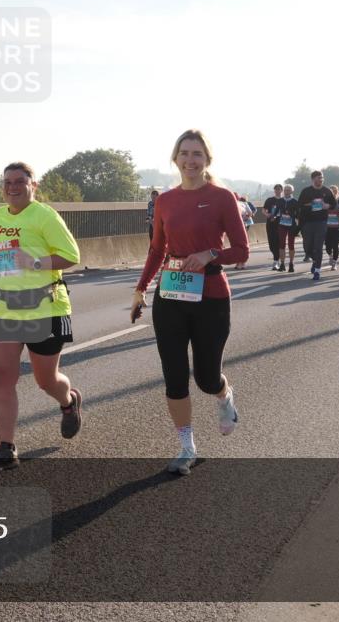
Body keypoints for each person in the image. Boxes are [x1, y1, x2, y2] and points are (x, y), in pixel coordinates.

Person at [131, 130, 247, 476]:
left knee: (207, 378)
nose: (190, 160)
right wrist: (141, 289)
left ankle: (224, 396)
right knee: (175, 376)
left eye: (197, 154)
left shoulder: (222, 197)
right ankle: (186, 447)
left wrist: (210, 252)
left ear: (207, 160)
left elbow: (241, 250)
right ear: (175, 158)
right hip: (171, 294)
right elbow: (157, 250)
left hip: (211, 294)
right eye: (184, 153)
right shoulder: (165, 200)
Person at [0, 162, 82, 473]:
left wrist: (35, 262)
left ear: (33, 185)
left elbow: (71, 256)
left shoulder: (44, 215)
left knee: (45, 380)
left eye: (20, 181)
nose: (12, 186)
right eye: (7, 181)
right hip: (2, 308)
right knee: (1, 377)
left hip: (45, 307)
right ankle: (6, 447)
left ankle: (68, 400)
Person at [296, 171, 337, 281]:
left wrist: (327, 205)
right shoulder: (306, 191)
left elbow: (334, 204)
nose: (321, 180)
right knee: (307, 248)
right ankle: (314, 261)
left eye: (322, 178)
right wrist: (310, 205)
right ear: (313, 179)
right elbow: (299, 206)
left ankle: (317, 271)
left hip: (321, 222)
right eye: (319, 178)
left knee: (318, 247)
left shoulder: (327, 191)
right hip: (307, 223)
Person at [276, 185, 299, 272]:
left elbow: (298, 214)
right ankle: (282, 264)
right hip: (282, 225)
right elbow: (276, 211)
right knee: (281, 244)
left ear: (292, 191)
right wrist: (272, 216)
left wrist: (295, 218)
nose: (286, 192)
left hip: (291, 225)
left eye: (288, 190)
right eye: (285, 190)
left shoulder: (295, 201)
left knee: (291, 244)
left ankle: (291, 263)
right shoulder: (280, 201)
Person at [263, 184, 284, 270]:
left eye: (279, 189)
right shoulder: (270, 200)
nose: (277, 191)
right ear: (274, 190)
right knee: (271, 244)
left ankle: (276, 261)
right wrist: (267, 214)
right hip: (270, 223)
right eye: (276, 189)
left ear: (281, 190)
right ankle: (276, 257)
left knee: (278, 242)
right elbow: (263, 210)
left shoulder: (283, 201)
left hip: (281, 224)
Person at [234, 195, 256, 270]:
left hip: (234, 226)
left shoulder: (231, 203)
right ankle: (242, 263)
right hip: (243, 225)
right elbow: (250, 213)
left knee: (235, 244)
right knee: (243, 243)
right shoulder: (244, 203)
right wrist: (245, 217)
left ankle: (238, 263)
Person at [325, 185, 339, 270]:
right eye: (331, 191)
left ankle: (335, 263)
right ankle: (331, 256)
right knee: (328, 247)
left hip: (337, 227)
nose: (332, 192)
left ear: (336, 192)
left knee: (335, 245)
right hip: (327, 228)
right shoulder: (325, 203)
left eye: (334, 191)